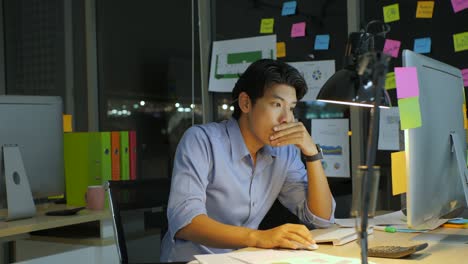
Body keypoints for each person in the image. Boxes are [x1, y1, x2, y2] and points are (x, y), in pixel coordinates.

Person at [160, 59, 335, 262]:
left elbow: (322, 218)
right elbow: (185, 222)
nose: (286, 119)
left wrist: (311, 153)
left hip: (243, 259)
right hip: (194, 260)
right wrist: (259, 238)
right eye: (277, 104)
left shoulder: (285, 152)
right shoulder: (202, 140)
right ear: (245, 103)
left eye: (291, 108)